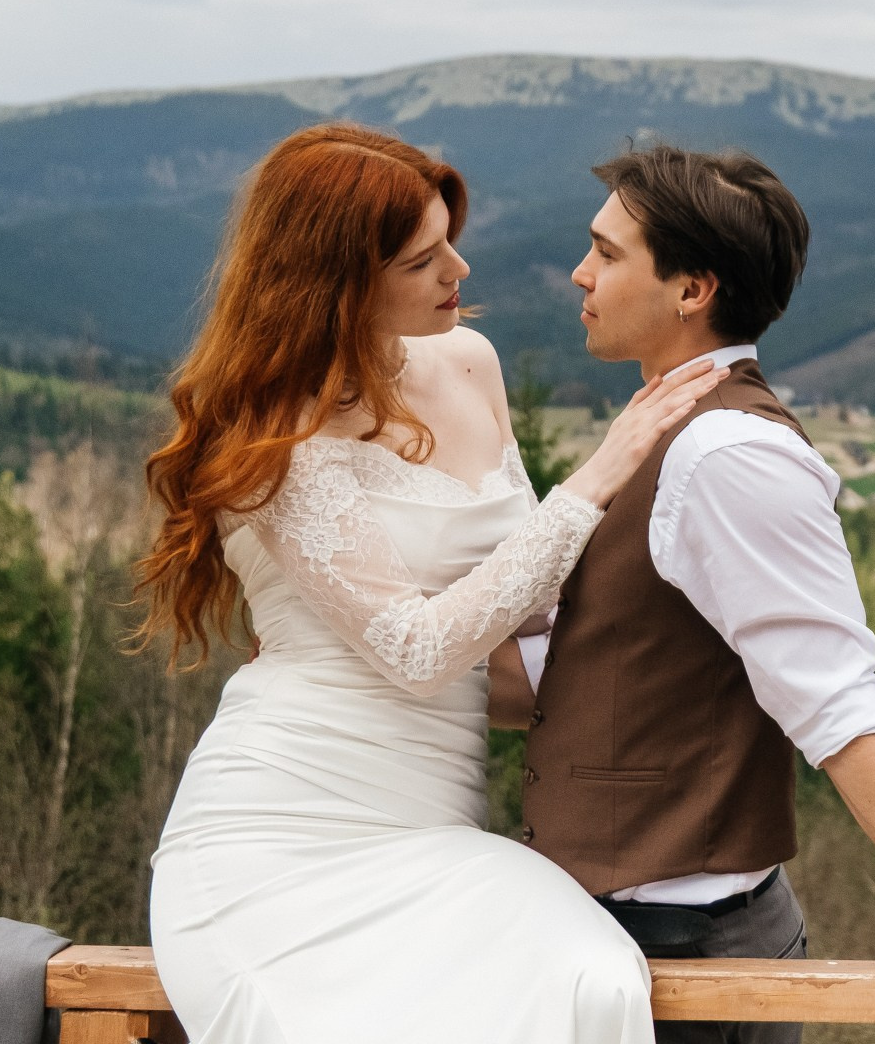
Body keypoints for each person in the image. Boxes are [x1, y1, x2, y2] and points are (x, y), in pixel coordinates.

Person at [490, 143, 875, 1044]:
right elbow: (599, 669)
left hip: (693, 963)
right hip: (619, 941)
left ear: (692, 289)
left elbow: (836, 704)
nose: (580, 272)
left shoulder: (731, 455)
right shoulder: (663, 424)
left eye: (608, 253)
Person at [138, 124, 729, 1044]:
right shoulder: (274, 436)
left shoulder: (469, 363)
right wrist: (596, 478)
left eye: (450, 238)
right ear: (339, 284)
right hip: (282, 836)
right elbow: (417, 652)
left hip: (439, 827)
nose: (459, 267)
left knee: (592, 978)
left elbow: (526, 604)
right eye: (422, 260)